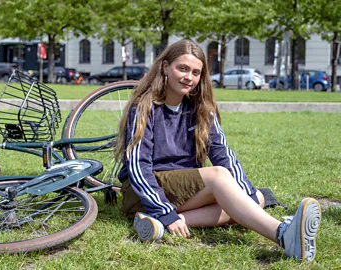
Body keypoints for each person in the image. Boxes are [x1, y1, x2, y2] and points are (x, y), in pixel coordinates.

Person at [114, 39, 321, 261]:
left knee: (256, 198)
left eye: (195, 72)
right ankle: (282, 234)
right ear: (165, 67)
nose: (189, 77)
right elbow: (138, 167)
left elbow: (223, 153)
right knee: (220, 177)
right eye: (182, 69)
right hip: (143, 192)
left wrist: (248, 194)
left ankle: (161, 224)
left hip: (182, 191)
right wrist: (163, 209)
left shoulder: (201, 109)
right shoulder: (144, 108)